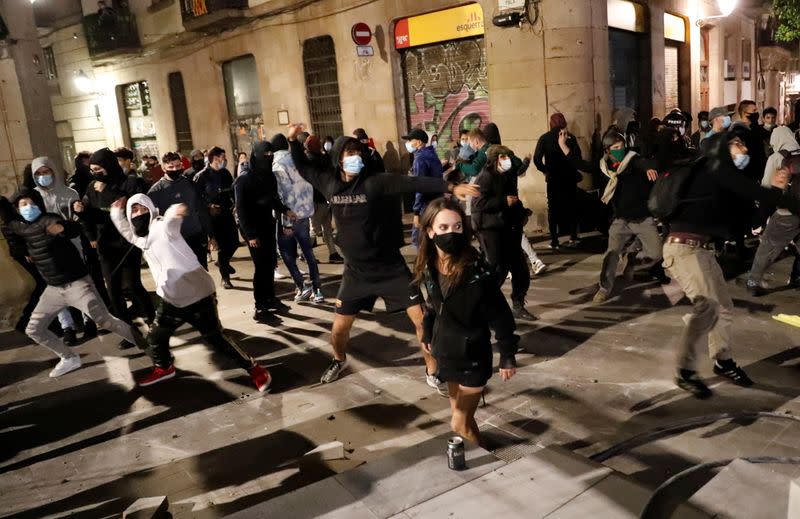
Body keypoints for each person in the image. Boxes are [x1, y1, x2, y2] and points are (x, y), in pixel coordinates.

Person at [287, 123, 479, 391]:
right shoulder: (329, 183)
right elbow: (303, 167)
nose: (355, 156)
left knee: (422, 322)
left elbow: (410, 182)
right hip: (356, 273)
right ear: (338, 158)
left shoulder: (373, 182)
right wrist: (293, 141)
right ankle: (338, 359)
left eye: (358, 152)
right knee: (339, 329)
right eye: (349, 152)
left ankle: (433, 371)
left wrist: (450, 186)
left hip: (391, 269)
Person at [663, 127, 798, 398]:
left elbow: (748, 219)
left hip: (701, 251)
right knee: (708, 308)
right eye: (737, 144)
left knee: (724, 307)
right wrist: (777, 193)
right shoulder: (714, 169)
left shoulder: (724, 181)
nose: (744, 150)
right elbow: (752, 192)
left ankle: (723, 361)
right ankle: (686, 371)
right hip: (684, 249)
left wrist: (774, 193)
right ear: (723, 148)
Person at [110, 194, 272, 391]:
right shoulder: (141, 238)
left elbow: (171, 223)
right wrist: (117, 213)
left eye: (143, 209)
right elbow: (127, 231)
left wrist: (175, 211)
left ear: (151, 209)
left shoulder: (161, 227)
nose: (139, 214)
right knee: (155, 336)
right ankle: (164, 368)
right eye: (134, 211)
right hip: (172, 298)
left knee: (215, 338)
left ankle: (254, 369)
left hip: (198, 294)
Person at [1, 189, 142, 377]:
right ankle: (69, 358)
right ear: (17, 210)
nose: (29, 207)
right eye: (23, 205)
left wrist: (63, 229)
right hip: (53, 289)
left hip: (77, 284)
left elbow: (73, 229)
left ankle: (146, 343)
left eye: (32, 203)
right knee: (34, 329)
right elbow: (9, 222)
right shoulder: (20, 227)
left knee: (104, 320)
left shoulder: (49, 219)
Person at [415, 197, 518, 447]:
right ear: (430, 232)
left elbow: (500, 313)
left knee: (458, 424)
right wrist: (428, 332)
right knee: (465, 421)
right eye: (444, 228)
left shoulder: (476, 270)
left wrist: (507, 353)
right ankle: (480, 452)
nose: (452, 233)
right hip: (446, 354)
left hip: (474, 356)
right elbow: (432, 305)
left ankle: (489, 467)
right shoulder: (429, 265)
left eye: (457, 226)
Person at [73, 148, 154, 347]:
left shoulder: (130, 183)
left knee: (132, 285)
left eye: (98, 168)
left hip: (127, 243)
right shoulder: (92, 187)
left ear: (109, 166)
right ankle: (128, 332)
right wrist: (82, 211)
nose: (95, 173)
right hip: (106, 245)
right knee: (113, 290)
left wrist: (108, 191)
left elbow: (135, 209)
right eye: (92, 169)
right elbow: (92, 215)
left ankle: (153, 319)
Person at [591, 131, 664, 302]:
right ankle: (604, 287)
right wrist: (566, 150)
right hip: (621, 219)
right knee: (611, 254)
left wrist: (649, 168)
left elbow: (644, 162)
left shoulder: (633, 160)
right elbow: (585, 165)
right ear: (607, 150)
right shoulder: (605, 168)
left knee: (656, 253)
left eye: (622, 146)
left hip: (642, 218)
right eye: (615, 148)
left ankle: (632, 259)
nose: (620, 150)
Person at [472, 144, 536, 320]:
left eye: (507, 157)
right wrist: (502, 201)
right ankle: (482, 305)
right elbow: (478, 205)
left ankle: (518, 304)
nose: (507, 161)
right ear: (494, 160)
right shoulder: (485, 178)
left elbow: (512, 199)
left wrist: (522, 212)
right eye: (503, 158)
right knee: (497, 269)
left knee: (521, 269)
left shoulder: (506, 176)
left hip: (509, 228)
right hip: (489, 229)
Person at [234, 141, 293, 322]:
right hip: (254, 232)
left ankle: (270, 299)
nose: (268, 158)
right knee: (261, 268)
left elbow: (272, 199)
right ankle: (260, 307)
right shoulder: (243, 180)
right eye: (264, 155)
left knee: (270, 264)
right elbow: (241, 211)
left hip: (268, 226)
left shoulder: (269, 177)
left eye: (270, 155)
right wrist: (250, 235)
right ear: (256, 156)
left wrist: (285, 210)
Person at [31, 156, 86, 346]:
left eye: (45, 172)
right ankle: (67, 326)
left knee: (81, 284)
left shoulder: (70, 193)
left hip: (72, 244)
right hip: (48, 250)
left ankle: (88, 320)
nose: (42, 176)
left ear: (53, 171)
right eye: (38, 173)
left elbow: (78, 220)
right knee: (56, 286)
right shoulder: (32, 198)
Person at [747, 126, 800, 295]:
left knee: (766, 249)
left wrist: (760, 218)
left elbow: (769, 190)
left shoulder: (779, 158)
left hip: (787, 213)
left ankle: (752, 282)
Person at [271, 133, 323, 303]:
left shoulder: (277, 164)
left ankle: (302, 286)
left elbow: (283, 193)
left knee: (285, 252)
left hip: (290, 216)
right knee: (308, 252)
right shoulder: (297, 158)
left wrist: (286, 221)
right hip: (305, 212)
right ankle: (318, 290)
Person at [148, 152, 212, 268]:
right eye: (171, 167)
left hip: (195, 236)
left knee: (201, 272)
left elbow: (201, 209)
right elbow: (152, 220)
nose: (175, 169)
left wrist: (210, 234)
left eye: (178, 166)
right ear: (163, 168)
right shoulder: (155, 191)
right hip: (173, 240)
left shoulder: (190, 184)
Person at [533, 113, 582, 249]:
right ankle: (573, 236)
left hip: (553, 179)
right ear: (564, 123)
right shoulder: (570, 137)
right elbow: (578, 157)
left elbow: (537, 159)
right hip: (570, 178)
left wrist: (545, 170)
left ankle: (555, 240)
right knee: (572, 207)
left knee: (553, 209)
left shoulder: (544, 138)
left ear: (551, 123)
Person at [194, 147, 239, 289]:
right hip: (213, 217)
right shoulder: (202, 176)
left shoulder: (225, 173)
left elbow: (232, 191)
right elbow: (196, 198)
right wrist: (208, 206)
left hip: (227, 213)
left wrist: (236, 204)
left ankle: (222, 261)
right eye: (223, 157)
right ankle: (225, 278)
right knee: (222, 247)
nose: (225, 160)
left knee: (234, 243)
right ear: (214, 158)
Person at [403, 128, 444, 248]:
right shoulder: (432, 154)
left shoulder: (420, 158)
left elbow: (420, 186)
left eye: (411, 140)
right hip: (436, 200)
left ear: (419, 142)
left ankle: (425, 261)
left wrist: (416, 212)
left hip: (425, 204)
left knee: (418, 239)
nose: (408, 143)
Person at [305, 135, 341, 263]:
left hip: (322, 198)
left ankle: (333, 253)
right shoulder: (311, 159)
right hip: (317, 199)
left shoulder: (318, 157)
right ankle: (306, 253)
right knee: (314, 229)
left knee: (327, 229)